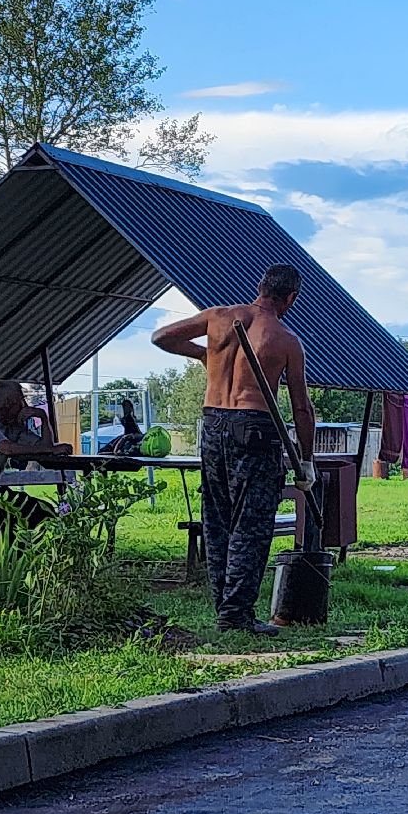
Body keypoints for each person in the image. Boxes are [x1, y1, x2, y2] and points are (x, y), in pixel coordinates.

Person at [152, 265, 317, 636]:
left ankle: (225, 609)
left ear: (259, 287)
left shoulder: (219, 317)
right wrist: (305, 462)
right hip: (255, 428)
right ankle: (236, 615)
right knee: (252, 523)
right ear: (290, 298)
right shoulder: (285, 338)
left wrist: (206, 354)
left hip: (212, 424)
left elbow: (161, 337)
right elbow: (302, 408)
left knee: (218, 519)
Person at [0, 381, 71, 528]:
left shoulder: (13, 427)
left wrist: (43, 417)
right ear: (10, 403)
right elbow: (6, 448)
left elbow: (45, 447)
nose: (25, 406)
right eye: (22, 400)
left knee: (41, 511)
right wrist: (50, 450)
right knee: (8, 518)